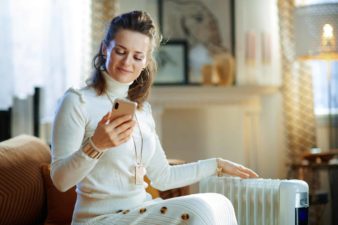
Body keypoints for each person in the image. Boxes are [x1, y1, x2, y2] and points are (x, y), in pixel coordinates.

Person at [51, 10, 258, 225]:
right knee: (198, 211)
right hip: (98, 219)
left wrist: (217, 165)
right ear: (105, 49)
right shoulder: (77, 101)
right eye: (120, 51)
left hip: (140, 209)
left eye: (137, 56)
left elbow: (163, 176)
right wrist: (96, 145)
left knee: (219, 203)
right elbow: (60, 180)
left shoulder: (141, 110)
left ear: (145, 61)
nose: (127, 62)